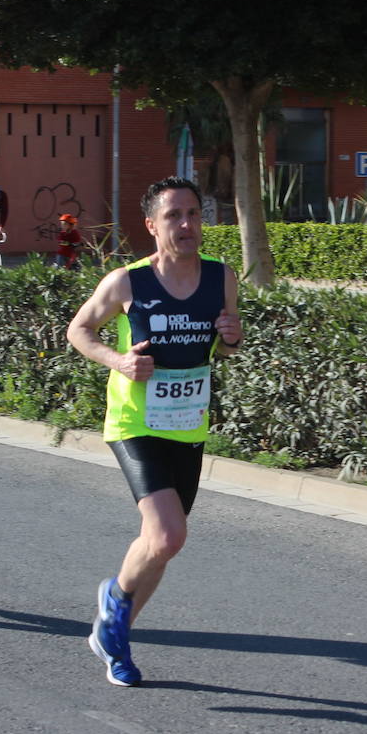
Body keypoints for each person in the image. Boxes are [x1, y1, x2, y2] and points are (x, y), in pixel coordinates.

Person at [67, 176, 243, 686]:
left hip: (188, 424)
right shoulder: (128, 282)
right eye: (173, 216)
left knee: (162, 543)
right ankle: (115, 603)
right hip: (134, 423)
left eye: (193, 214)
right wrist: (118, 361)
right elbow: (80, 330)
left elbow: (226, 344)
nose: (186, 224)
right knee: (168, 533)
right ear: (151, 225)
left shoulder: (221, 276)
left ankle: (114, 636)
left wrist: (231, 337)